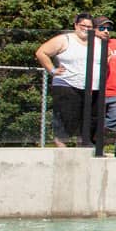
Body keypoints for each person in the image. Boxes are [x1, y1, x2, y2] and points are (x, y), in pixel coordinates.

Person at [36, 14, 98, 147]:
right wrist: (52, 70)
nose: (86, 29)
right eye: (83, 26)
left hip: (89, 87)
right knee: (67, 119)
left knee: (86, 121)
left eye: (90, 27)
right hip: (66, 85)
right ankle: (61, 149)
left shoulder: (96, 41)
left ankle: (82, 149)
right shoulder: (64, 40)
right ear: (76, 25)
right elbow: (41, 52)